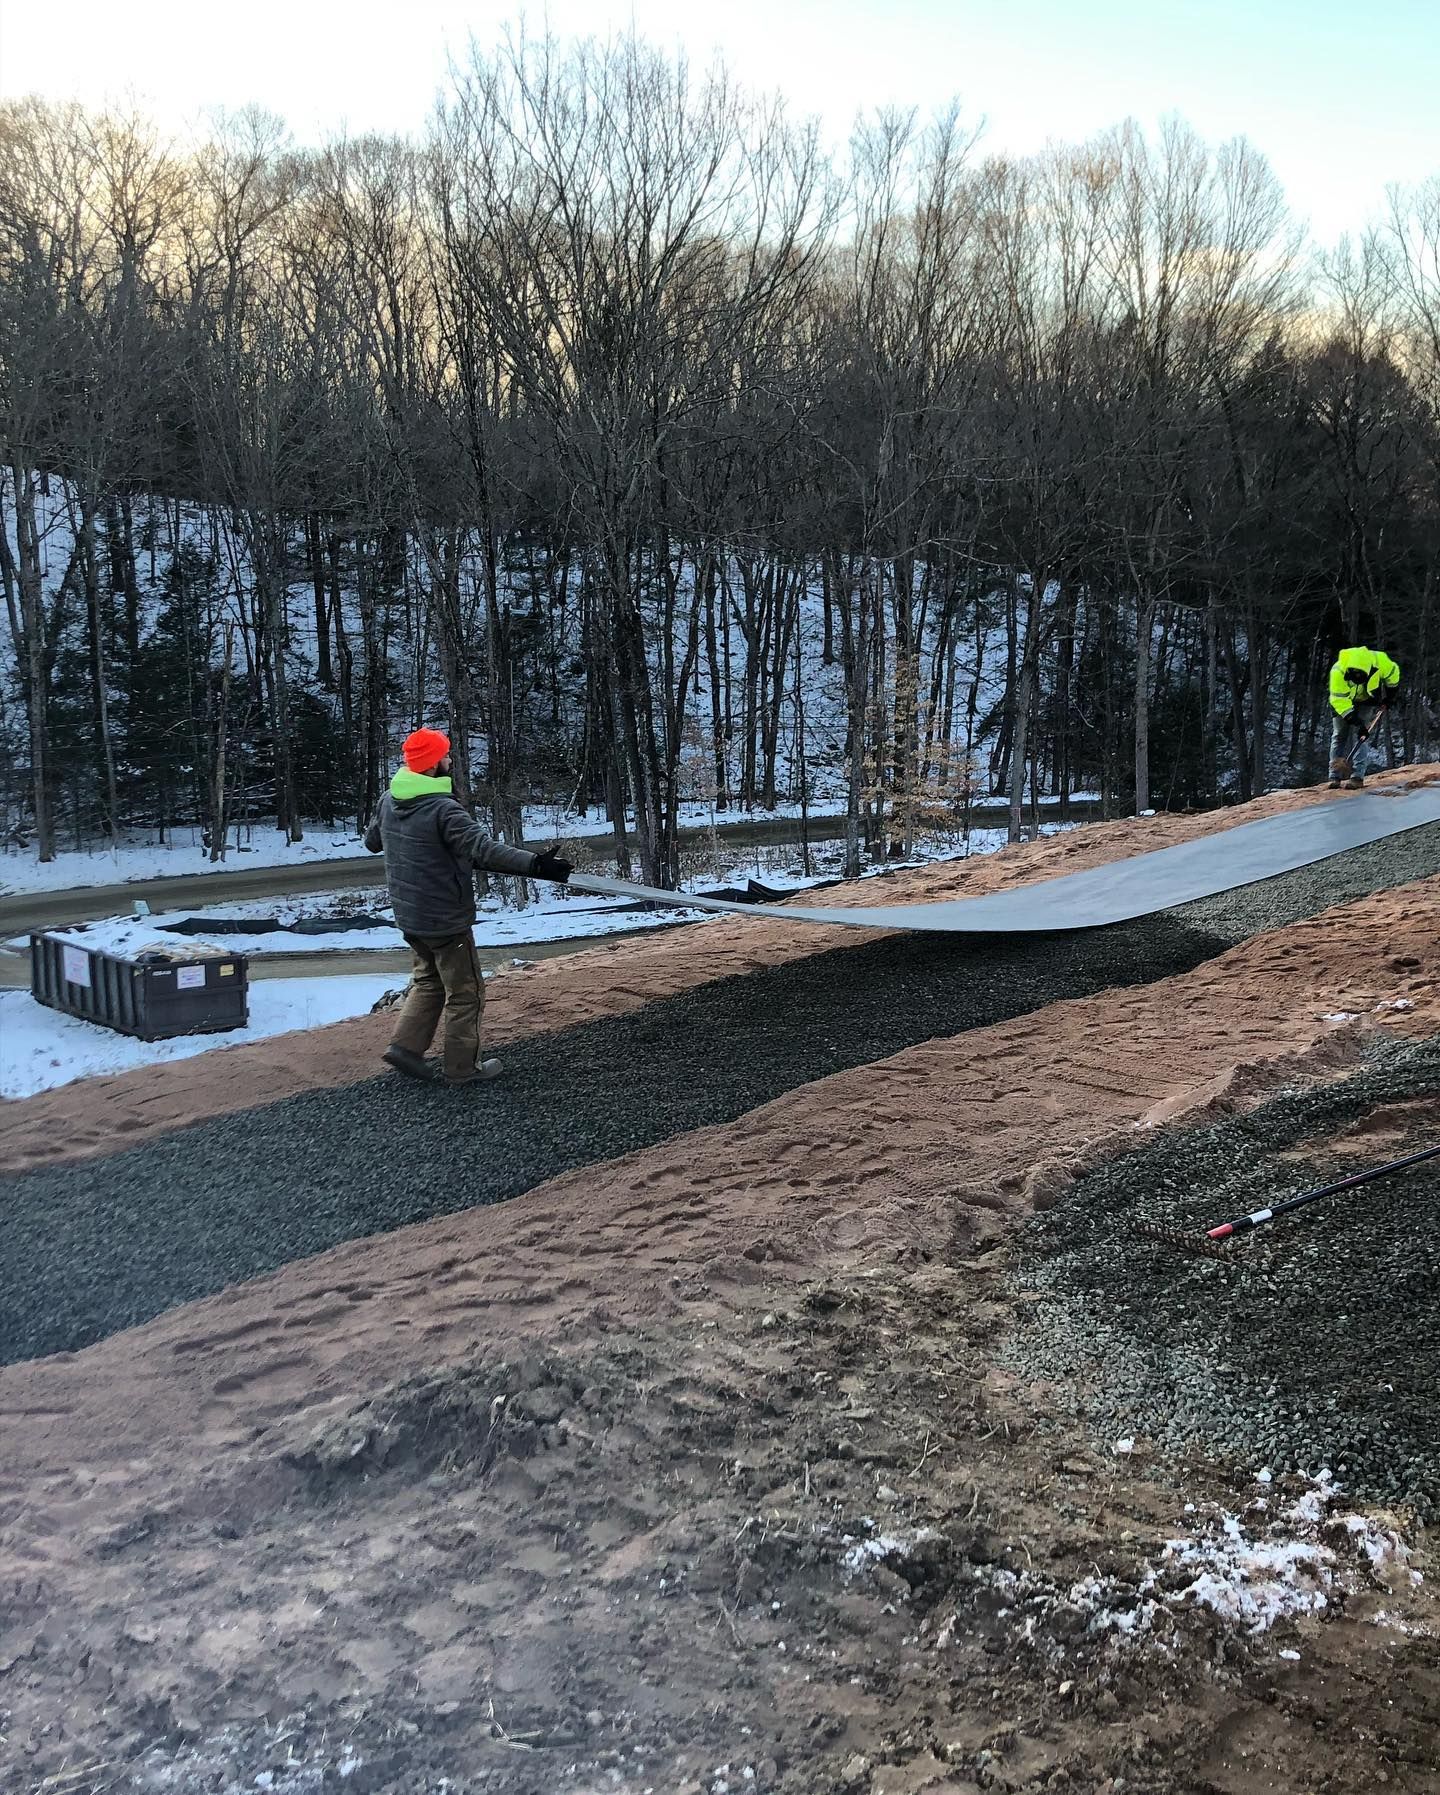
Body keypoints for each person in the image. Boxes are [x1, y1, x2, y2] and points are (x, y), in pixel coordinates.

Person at [364, 728, 572, 1085]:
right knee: (466, 992)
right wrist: (537, 865)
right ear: (431, 766)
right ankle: (462, 1068)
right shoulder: (443, 809)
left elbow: (372, 842)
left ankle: (404, 1047)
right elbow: (484, 849)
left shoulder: (389, 799)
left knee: (428, 980)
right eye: (445, 757)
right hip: (444, 918)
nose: (450, 762)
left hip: (410, 917)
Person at [1326, 646, 1400, 789]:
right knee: (1339, 735)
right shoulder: (1338, 671)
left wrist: (1390, 696)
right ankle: (1334, 775)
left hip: (1366, 699)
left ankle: (1357, 777)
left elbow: (1393, 673)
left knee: (1362, 737)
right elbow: (1339, 701)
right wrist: (1357, 723)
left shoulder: (1381, 662)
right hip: (1342, 702)